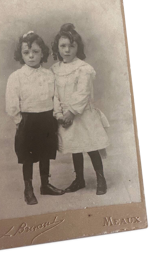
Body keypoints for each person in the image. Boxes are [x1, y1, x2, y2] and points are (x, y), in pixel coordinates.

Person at [6, 31, 65, 205]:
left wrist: (56, 116)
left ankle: (45, 185)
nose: (31, 56)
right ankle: (28, 188)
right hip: (28, 121)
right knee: (28, 156)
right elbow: (11, 102)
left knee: (45, 152)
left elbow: (55, 97)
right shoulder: (16, 77)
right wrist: (19, 121)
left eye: (36, 52)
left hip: (47, 118)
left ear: (42, 53)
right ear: (21, 54)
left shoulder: (49, 75)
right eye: (26, 52)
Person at [51, 23, 110, 195]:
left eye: (71, 46)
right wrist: (59, 114)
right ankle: (79, 179)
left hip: (82, 115)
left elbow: (83, 93)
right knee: (74, 148)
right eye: (63, 46)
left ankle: (101, 179)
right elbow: (54, 94)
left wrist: (71, 112)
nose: (67, 50)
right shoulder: (55, 70)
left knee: (91, 146)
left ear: (78, 47)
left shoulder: (83, 69)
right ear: (57, 48)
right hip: (65, 117)